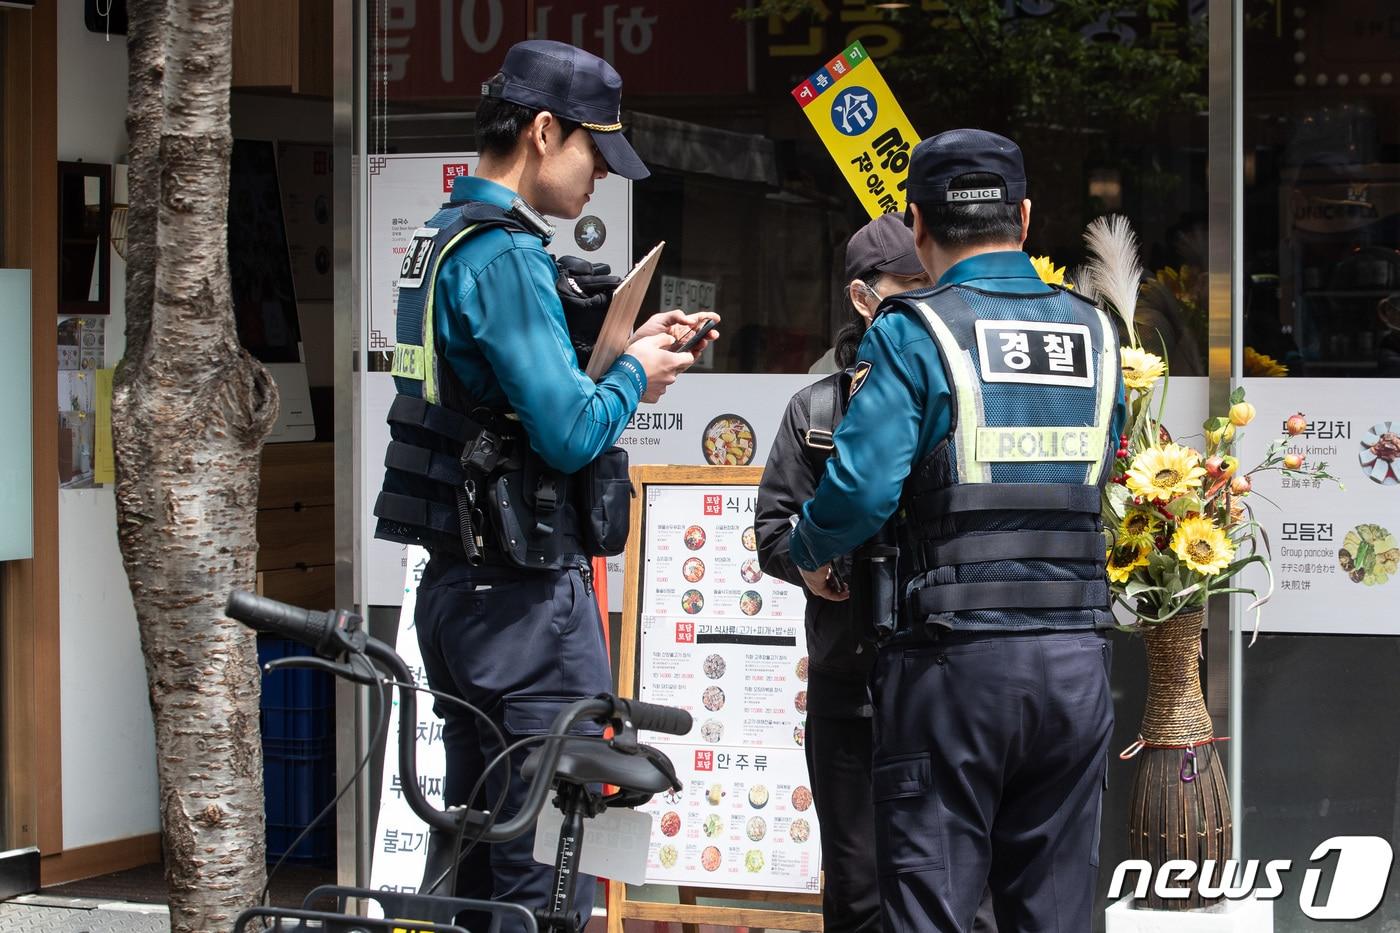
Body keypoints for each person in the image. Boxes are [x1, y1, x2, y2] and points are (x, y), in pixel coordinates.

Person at [372, 39, 718, 929]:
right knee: (546, 860)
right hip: (524, 608)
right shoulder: (506, 255)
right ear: (542, 130)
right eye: (595, 152)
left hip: (457, 592)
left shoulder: (442, 238)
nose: (601, 174)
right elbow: (565, 435)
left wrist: (616, 344)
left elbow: (485, 400)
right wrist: (635, 372)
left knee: (479, 840)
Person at [788, 129, 1126, 932]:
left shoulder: (913, 330)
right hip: (1075, 661)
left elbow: (861, 490)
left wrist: (809, 549)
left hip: (954, 666)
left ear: (917, 224)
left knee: (933, 906)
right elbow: (1105, 463)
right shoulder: (1097, 330)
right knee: (1054, 912)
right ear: (1025, 217)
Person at [756, 214, 930, 933]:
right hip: (847, 680)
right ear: (863, 298)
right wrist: (811, 563)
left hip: (939, 677)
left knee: (949, 886)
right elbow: (773, 532)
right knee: (857, 890)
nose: (926, 300)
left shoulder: (947, 392)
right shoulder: (814, 408)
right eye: (909, 286)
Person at [807, 215, 932, 376]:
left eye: (941, 281)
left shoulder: (956, 359)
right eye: (916, 280)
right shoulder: (829, 374)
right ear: (861, 298)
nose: (936, 292)